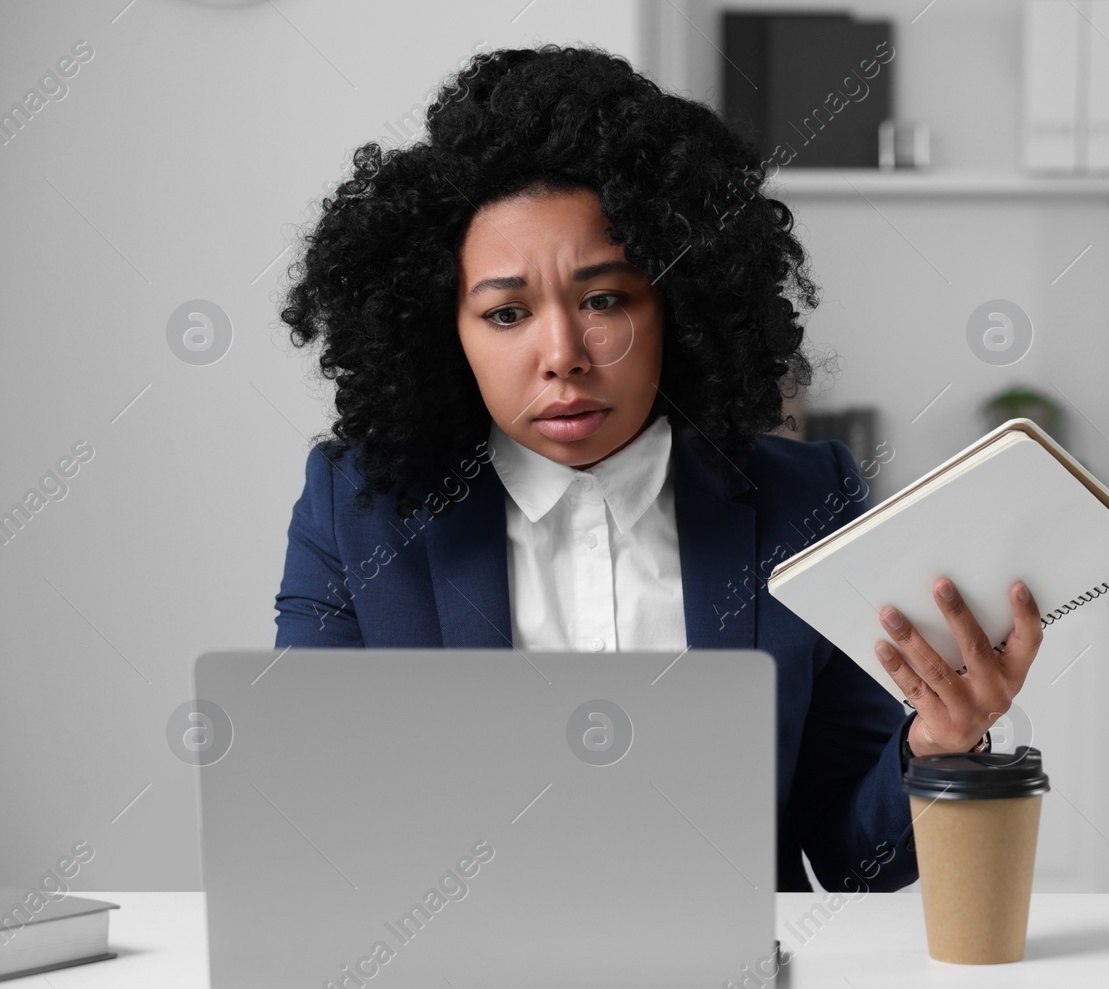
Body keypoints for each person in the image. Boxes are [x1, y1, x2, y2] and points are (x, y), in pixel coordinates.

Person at [272, 44, 1043, 893]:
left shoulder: (805, 502)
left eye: (605, 299)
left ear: (678, 302)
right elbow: (308, 816)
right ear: (443, 333)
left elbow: (854, 858)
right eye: (506, 313)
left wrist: (937, 745)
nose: (563, 354)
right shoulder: (359, 510)